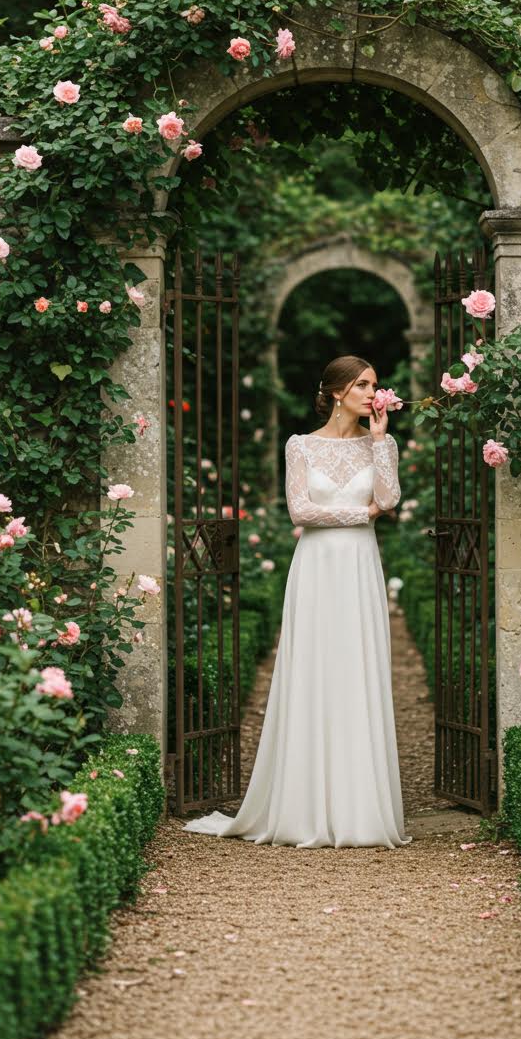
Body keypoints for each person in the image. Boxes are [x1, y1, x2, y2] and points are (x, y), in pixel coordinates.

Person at [183, 355, 412, 849]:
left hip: (358, 567)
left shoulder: (383, 443)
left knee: (356, 669)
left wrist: (378, 443)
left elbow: (389, 501)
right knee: (313, 669)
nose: (374, 393)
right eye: (363, 384)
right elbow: (300, 510)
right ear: (336, 391)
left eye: (376, 384)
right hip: (316, 567)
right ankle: (302, 803)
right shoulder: (300, 446)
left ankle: (359, 807)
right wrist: (360, 514)